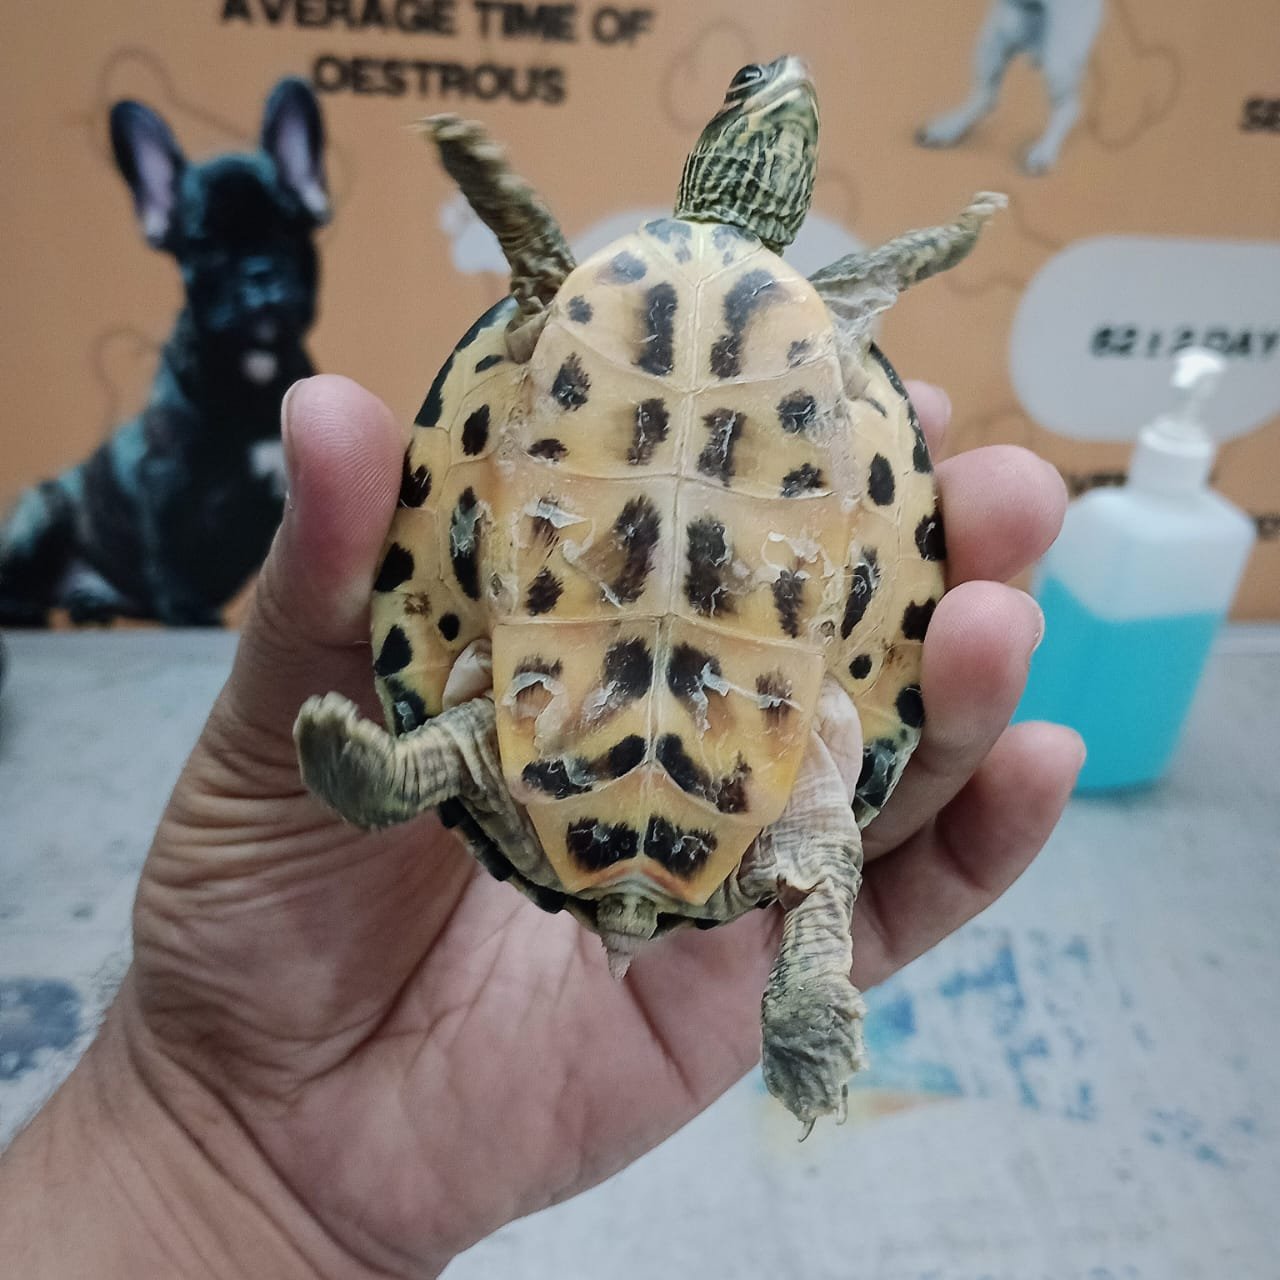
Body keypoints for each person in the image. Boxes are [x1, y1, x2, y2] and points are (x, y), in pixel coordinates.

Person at [0, 374, 1082, 1278]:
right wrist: (208, 1143)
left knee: (507, 711)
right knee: (804, 779)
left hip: (567, 701)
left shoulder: (601, 327)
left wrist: (198, 1153)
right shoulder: (823, 368)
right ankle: (793, 955)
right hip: (732, 716)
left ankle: (413, 772)